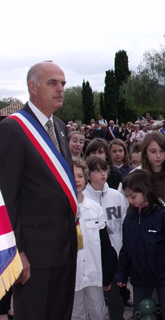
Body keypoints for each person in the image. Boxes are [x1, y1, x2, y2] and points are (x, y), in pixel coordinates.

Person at [0, 61, 77, 319]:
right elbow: (7, 197)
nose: (60, 89)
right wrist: (17, 253)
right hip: (34, 254)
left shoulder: (61, 128)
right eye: (52, 83)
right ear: (32, 87)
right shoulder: (12, 129)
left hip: (65, 248)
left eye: (63, 83)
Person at [116, 170, 165, 319]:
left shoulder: (164, 215)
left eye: (133, 196)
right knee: (140, 314)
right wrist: (121, 274)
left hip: (163, 280)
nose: (130, 201)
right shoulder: (130, 218)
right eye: (127, 197)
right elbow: (126, 248)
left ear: (146, 191)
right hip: (140, 280)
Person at [83, 156, 128, 319]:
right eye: (97, 170)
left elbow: (124, 223)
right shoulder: (84, 198)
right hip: (94, 257)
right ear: (88, 174)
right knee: (96, 301)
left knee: (116, 298)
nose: (102, 174)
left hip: (116, 253)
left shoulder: (116, 196)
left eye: (104, 170)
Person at [72, 158, 116, 320]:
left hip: (94, 271)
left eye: (80, 176)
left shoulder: (95, 208)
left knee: (98, 310)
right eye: (72, 176)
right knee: (76, 312)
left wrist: (108, 273)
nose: (77, 180)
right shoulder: (61, 209)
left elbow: (105, 243)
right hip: (73, 273)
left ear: (85, 178)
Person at [136, 132, 165, 208]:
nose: (158, 156)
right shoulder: (136, 175)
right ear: (145, 152)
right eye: (153, 151)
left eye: (162, 151)